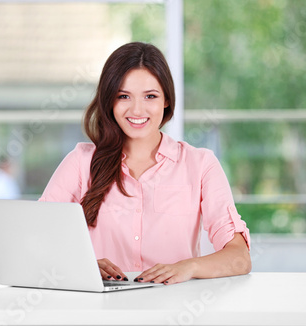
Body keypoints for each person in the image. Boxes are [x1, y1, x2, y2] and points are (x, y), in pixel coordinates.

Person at [39, 42, 251, 285]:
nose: (137, 109)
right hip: (101, 312)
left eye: (150, 96)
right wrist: (79, 265)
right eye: (123, 96)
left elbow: (240, 258)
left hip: (176, 311)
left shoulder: (201, 165)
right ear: (109, 101)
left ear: (166, 101)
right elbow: (38, 240)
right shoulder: (81, 162)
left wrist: (188, 267)